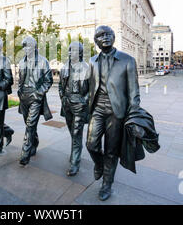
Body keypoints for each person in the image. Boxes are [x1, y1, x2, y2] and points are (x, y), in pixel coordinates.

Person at [86, 25, 142, 201]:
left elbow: (134, 92)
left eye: (108, 34)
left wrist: (133, 115)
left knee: (111, 150)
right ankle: (99, 165)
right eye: (100, 36)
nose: (105, 37)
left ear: (114, 37)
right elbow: (89, 87)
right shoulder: (92, 61)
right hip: (97, 109)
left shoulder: (128, 60)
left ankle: (107, 183)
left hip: (117, 111)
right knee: (91, 144)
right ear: (96, 41)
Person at [18, 36, 53, 166]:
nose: (25, 49)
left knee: (31, 124)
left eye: (27, 46)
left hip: (36, 96)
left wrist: (38, 94)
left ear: (34, 46)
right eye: (24, 46)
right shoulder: (22, 62)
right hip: (24, 97)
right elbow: (20, 79)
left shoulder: (43, 62)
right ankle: (34, 142)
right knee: (29, 124)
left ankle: (25, 153)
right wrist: (20, 92)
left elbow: (48, 81)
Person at [59, 42, 90, 176]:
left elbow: (92, 89)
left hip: (80, 104)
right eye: (70, 50)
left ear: (81, 53)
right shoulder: (65, 67)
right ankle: (77, 150)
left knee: (77, 132)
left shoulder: (87, 68)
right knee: (72, 132)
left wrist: (85, 101)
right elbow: (61, 85)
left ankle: (75, 162)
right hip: (67, 103)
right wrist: (62, 97)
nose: (71, 53)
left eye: (74, 50)